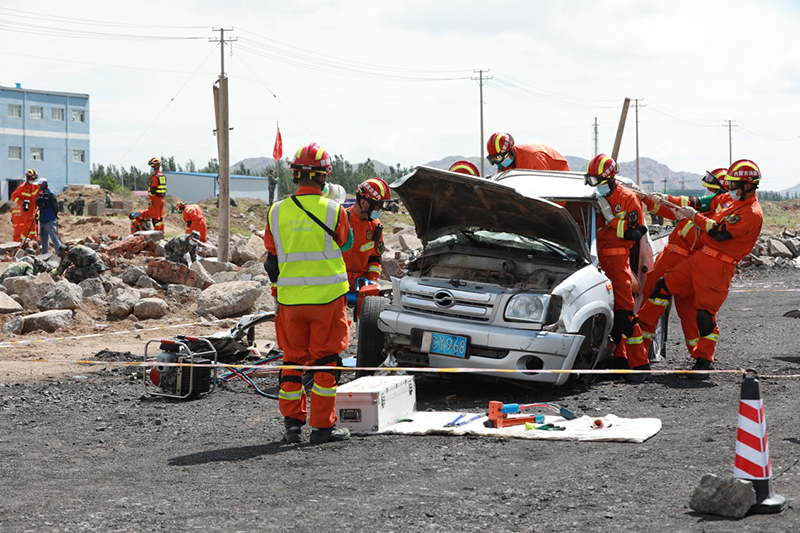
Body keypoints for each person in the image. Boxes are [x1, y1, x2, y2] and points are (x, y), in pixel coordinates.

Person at [637, 160, 763, 379]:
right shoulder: (727, 200)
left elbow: (719, 232)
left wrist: (694, 216)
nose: (730, 189)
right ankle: (639, 338)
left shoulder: (752, 213)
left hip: (719, 266)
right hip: (699, 259)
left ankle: (704, 362)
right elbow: (696, 202)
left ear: (749, 185)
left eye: (734, 185)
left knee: (704, 315)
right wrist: (662, 199)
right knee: (662, 286)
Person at [263, 142, 352, 444]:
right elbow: (347, 243)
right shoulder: (334, 210)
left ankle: (291, 426)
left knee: (292, 361)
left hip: (290, 303)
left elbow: (271, 259)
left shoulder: (276, 212)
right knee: (326, 362)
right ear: (324, 176)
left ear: (295, 175)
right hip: (327, 301)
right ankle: (323, 428)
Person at [631, 169, 733, 360]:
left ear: (722, 194)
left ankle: (699, 357)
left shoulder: (715, 219)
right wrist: (646, 198)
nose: (706, 195)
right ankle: (640, 355)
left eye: (710, 191)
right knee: (649, 306)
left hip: (688, 266)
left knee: (691, 316)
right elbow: (668, 207)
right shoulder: (697, 210)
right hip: (670, 259)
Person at [585, 154, 650, 382]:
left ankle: (640, 366)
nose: (596, 186)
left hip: (617, 261)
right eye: (592, 181)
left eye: (598, 181)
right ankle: (619, 357)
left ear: (611, 179)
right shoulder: (592, 198)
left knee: (624, 316)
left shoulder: (628, 198)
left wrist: (610, 218)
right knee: (607, 317)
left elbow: (636, 231)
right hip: (594, 261)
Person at [342, 178, 390, 304]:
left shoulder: (375, 226)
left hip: (362, 286)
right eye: (376, 208)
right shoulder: (342, 221)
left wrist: (372, 282)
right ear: (364, 203)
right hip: (338, 286)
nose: (377, 212)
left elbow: (375, 258)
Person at [486, 132, 570, 173]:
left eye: (501, 159)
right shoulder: (502, 164)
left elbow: (544, 184)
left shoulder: (533, 158)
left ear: (511, 150)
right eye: (496, 160)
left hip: (560, 176)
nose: (500, 163)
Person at [11, 169, 41, 242]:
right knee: (30, 221)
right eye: (32, 178)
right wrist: (20, 202)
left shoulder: (36, 187)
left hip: (34, 208)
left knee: (32, 223)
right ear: (27, 178)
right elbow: (13, 196)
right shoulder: (22, 187)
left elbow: (40, 193)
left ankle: (29, 238)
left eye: (34, 178)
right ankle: (33, 238)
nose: (33, 180)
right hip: (25, 208)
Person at [35, 179, 61, 255]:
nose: (38, 186)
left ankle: (59, 253)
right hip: (42, 219)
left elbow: (55, 207)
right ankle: (44, 252)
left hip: (50, 219)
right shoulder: (41, 195)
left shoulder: (51, 194)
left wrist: (55, 215)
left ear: (43, 185)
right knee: (43, 238)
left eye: (39, 185)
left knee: (54, 238)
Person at [148, 157, 167, 232]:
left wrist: (150, 200)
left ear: (156, 166)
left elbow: (153, 190)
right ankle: (161, 232)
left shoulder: (155, 177)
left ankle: (156, 234)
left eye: (152, 166)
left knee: (155, 218)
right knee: (161, 218)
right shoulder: (163, 176)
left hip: (155, 199)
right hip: (162, 199)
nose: (151, 167)